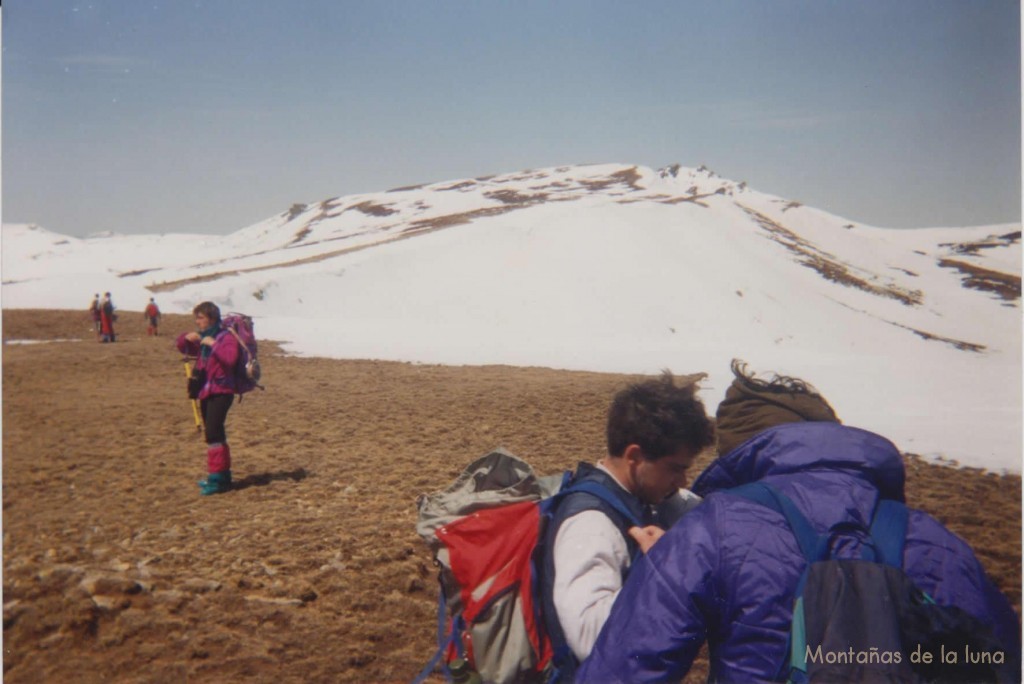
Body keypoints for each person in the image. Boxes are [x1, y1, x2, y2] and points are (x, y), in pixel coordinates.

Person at [577, 360, 1021, 683]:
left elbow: (627, 667)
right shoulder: (939, 543)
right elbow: (1001, 662)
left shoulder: (711, 530)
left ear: (742, 454)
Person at [540, 371, 716, 679]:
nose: (683, 481)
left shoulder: (647, 498)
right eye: (675, 468)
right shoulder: (590, 523)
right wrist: (663, 571)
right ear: (634, 456)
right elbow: (590, 637)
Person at [176, 301, 240, 496]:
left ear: (212, 318)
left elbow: (230, 358)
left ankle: (218, 478)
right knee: (213, 433)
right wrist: (186, 339)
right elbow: (181, 347)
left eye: (201, 318)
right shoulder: (204, 338)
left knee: (213, 431)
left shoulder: (225, 337)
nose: (198, 321)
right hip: (207, 390)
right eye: (197, 318)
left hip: (222, 391)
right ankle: (220, 476)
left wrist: (213, 344)